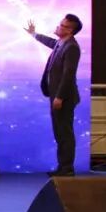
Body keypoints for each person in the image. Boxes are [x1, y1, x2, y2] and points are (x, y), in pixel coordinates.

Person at [26, 14, 83, 176]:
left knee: (64, 133)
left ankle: (67, 168)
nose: (58, 27)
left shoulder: (71, 47)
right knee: (59, 132)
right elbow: (50, 42)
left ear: (70, 30)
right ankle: (62, 167)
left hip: (64, 98)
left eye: (62, 25)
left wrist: (60, 96)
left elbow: (68, 74)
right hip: (56, 96)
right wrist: (34, 34)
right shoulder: (61, 43)